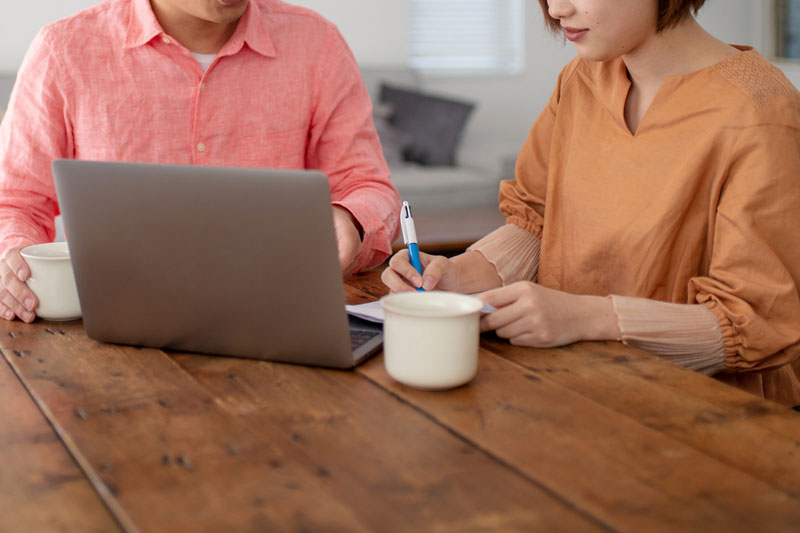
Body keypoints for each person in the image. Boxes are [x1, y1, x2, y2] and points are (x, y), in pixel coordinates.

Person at [383, 0, 800, 407]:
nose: (556, 9)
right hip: (573, 387)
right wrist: (460, 277)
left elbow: (754, 324)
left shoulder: (763, 111)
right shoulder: (581, 79)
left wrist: (587, 319)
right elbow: (537, 220)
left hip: (707, 420)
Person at [0, 0, 400, 323]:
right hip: (111, 326)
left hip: (273, 317)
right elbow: (15, 200)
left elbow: (369, 186)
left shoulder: (317, 44)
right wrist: (14, 259)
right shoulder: (64, 48)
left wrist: (350, 219)